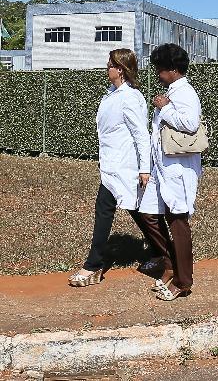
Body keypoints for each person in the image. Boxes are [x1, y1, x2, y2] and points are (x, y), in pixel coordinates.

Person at [68, 49, 153, 287]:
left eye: (111, 65)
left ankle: (93, 265)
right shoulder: (111, 94)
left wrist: (144, 168)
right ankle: (161, 251)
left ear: (121, 70)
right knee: (135, 210)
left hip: (125, 165)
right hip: (112, 164)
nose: (107, 68)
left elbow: (141, 135)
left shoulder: (130, 97)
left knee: (111, 209)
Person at [139, 43, 203, 301]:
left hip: (178, 169)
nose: (157, 73)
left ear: (173, 69)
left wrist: (165, 108)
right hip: (162, 168)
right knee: (148, 213)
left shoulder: (185, 92)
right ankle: (170, 264)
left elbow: (190, 123)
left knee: (178, 222)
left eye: (160, 69)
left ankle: (183, 281)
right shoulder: (172, 92)